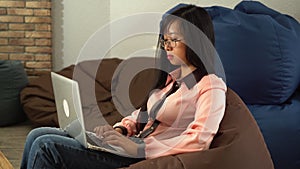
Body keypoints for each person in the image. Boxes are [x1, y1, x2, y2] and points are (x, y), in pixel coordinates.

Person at [21, 4, 227, 169]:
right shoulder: (171, 80)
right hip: (131, 146)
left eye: (174, 39)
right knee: (37, 134)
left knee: (45, 145)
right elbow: (141, 115)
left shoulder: (210, 86)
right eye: (164, 40)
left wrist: (140, 148)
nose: (167, 47)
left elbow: (199, 140)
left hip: (145, 158)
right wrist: (120, 129)